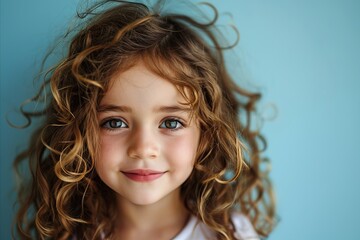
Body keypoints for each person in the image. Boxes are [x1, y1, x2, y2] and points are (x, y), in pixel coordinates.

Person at [13, 0, 276, 239]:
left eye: (171, 123)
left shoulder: (230, 235)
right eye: (115, 122)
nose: (142, 148)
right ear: (79, 133)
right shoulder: (70, 235)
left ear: (206, 136)